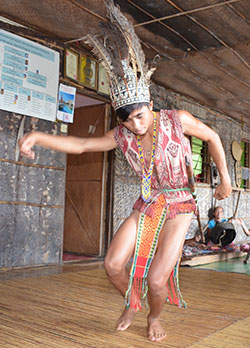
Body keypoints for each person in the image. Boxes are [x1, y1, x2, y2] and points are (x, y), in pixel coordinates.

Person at [18, 1, 232, 342]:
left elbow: (213, 137)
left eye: (140, 116)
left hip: (179, 204)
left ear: (149, 105)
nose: (135, 125)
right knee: (113, 265)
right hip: (147, 202)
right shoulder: (121, 135)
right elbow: (84, 146)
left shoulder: (178, 120)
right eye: (127, 119)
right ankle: (132, 302)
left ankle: (154, 316)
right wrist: (38, 136)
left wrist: (226, 178)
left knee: (157, 279)